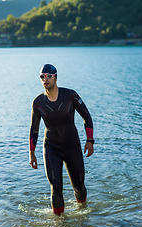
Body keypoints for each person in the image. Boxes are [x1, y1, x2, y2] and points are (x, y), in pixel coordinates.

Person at [29, 64, 94, 216]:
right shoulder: (38, 102)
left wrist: (90, 140)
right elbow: (34, 129)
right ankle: (59, 224)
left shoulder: (70, 96)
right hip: (51, 147)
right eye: (42, 76)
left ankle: (83, 214)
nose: (45, 79)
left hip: (72, 147)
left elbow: (87, 116)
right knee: (56, 187)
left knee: (78, 186)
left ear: (55, 77)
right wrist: (32, 153)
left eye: (48, 76)